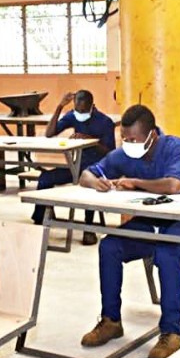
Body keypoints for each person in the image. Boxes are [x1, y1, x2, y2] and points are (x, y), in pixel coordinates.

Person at [78, 105, 180, 358]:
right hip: (148, 221)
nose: (128, 144)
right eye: (124, 138)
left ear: (151, 135)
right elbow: (86, 175)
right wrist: (96, 182)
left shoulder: (175, 147)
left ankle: (171, 332)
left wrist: (135, 183)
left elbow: (174, 185)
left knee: (167, 254)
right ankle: (111, 320)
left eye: (133, 139)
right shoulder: (124, 154)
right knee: (110, 247)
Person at [32, 90, 115, 245]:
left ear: (92, 106)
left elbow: (110, 152)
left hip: (97, 169)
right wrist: (60, 107)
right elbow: (49, 133)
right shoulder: (73, 115)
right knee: (45, 178)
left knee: (90, 186)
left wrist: (90, 140)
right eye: (77, 110)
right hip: (77, 167)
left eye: (83, 111)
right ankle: (39, 221)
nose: (80, 114)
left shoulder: (105, 122)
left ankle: (88, 228)